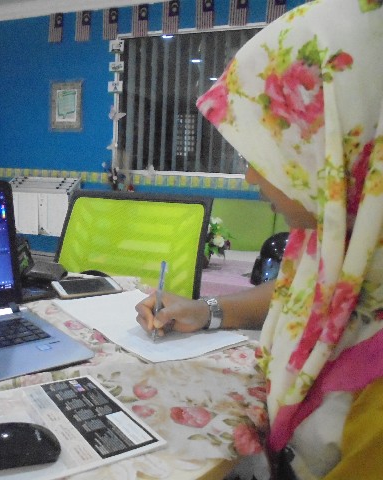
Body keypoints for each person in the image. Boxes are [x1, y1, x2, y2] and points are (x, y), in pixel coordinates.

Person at [135, 0, 383, 478]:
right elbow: (307, 294)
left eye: (272, 153)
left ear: (342, 152)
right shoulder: (341, 245)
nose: (250, 176)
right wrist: (207, 309)